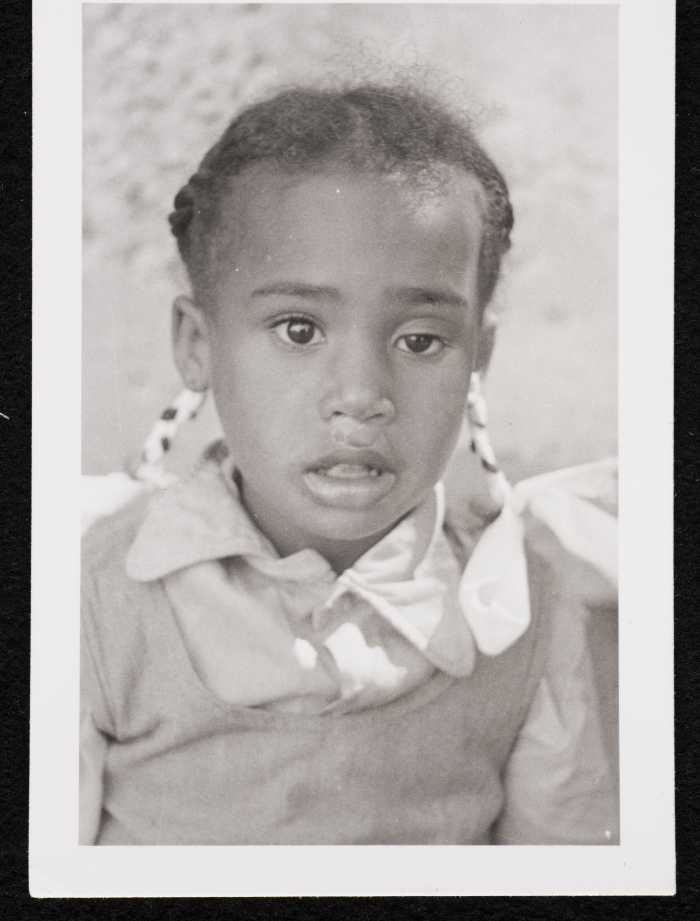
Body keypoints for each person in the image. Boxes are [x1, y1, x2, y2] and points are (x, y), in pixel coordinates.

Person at [80, 84, 618, 846]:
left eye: (422, 341)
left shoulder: (524, 612)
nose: (363, 397)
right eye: (299, 329)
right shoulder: (87, 602)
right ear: (197, 345)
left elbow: (565, 872)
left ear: (477, 361)